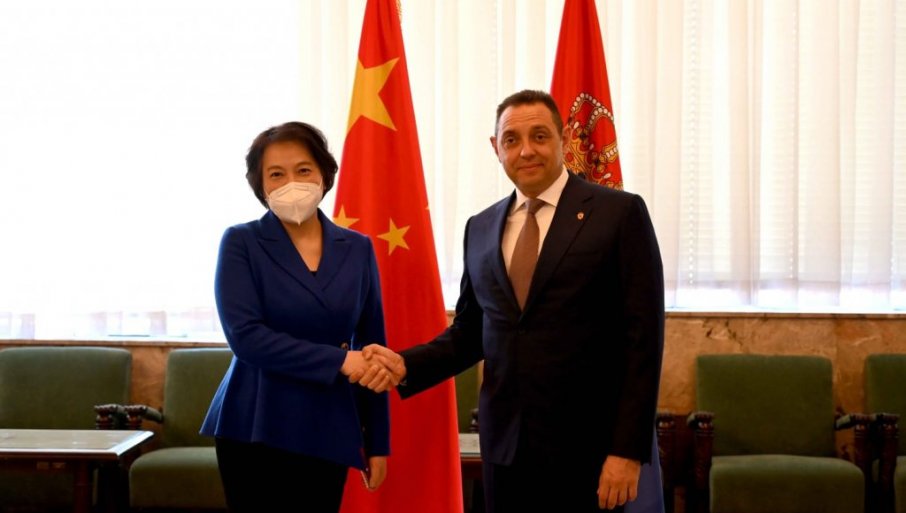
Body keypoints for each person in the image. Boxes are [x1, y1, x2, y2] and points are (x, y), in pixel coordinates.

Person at [361, 90, 665, 512]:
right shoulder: (480, 227)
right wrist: (405, 364)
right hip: (505, 448)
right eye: (511, 139)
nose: (526, 150)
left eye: (539, 136)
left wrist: (626, 452)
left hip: (590, 450)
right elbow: (471, 334)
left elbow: (643, 342)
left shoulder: (619, 213)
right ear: (496, 148)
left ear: (563, 138)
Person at [200, 121, 397, 513]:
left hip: (328, 420)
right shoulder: (241, 242)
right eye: (276, 174)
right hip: (255, 420)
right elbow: (246, 338)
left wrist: (377, 441)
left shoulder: (357, 248)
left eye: (303, 170)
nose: (291, 182)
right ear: (261, 186)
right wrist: (340, 360)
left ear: (324, 174)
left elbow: (372, 348)